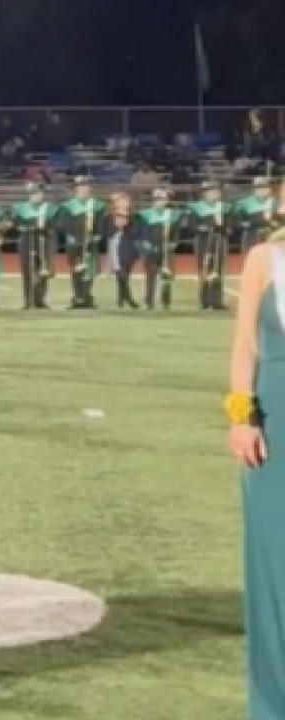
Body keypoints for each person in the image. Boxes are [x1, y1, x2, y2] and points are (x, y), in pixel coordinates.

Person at [225, 227, 285, 720]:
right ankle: (273, 704)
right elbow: (245, 345)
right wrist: (242, 417)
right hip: (276, 422)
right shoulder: (266, 258)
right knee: (275, 560)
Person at [59, 176, 106, 310]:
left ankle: (87, 297)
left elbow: (102, 224)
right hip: (74, 244)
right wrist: (70, 237)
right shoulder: (68, 206)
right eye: (81, 187)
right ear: (76, 189)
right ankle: (77, 297)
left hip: (91, 242)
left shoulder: (98, 206)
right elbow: (64, 224)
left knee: (89, 271)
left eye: (86, 187)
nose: (84, 189)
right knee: (76, 270)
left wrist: (98, 236)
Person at [11, 181, 58, 310]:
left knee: (44, 270)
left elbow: (56, 224)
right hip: (27, 241)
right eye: (33, 194)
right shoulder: (19, 208)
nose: (36, 196)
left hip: (44, 241)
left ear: (43, 194)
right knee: (28, 271)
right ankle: (28, 299)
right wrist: (24, 228)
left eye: (38, 193)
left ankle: (40, 299)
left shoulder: (50, 208)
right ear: (29, 195)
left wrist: (48, 229)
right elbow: (14, 225)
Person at [187, 180, 231, 311]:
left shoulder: (224, 207)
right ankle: (204, 300)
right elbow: (191, 226)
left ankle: (217, 301)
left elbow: (231, 224)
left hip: (220, 240)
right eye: (211, 192)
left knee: (218, 269)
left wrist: (225, 227)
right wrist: (204, 228)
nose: (214, 194)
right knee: (205, 269)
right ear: (205, 194)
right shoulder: (196, 207)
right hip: (203, 241)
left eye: (216, 191)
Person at [138, 188, 183, 311]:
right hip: (151, 250)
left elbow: (176, 232)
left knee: (167, 275)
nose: (161, 202)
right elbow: (142, 231)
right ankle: (148, 301)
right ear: (153, 201)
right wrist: (145, 244)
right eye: (158, 199)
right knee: (150, 276)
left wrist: (174, 243)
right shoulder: (145, 214)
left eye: (163, 199)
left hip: (166, 249)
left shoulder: (172, 214)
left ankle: (166, 301)